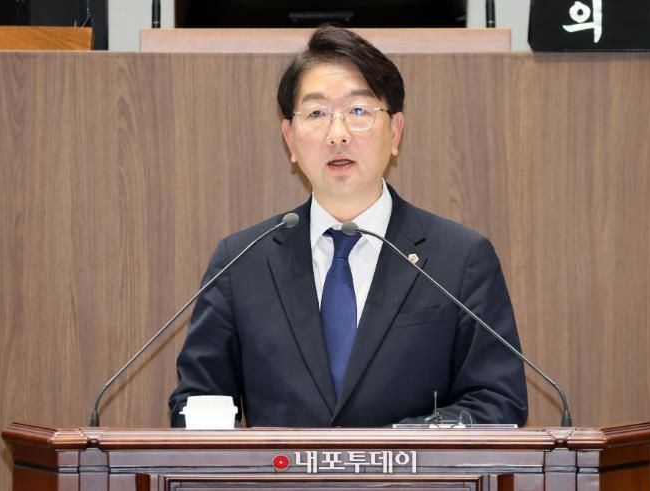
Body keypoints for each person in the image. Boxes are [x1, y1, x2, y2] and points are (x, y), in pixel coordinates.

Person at [169, 25, 528, 428]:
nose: (337, 135)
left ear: (395, 132)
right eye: (317, 113)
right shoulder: (241, 263)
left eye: (358, 111)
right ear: (290, 139)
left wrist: (392, 449)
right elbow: (196, 402)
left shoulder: (460, 259)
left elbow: (497, 401)